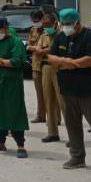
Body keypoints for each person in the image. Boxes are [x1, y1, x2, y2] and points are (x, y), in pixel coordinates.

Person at [48, 8, 91, 178]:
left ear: (78, 22)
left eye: (69, 24)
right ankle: (77, 157)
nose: (66, 27)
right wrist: (65, 61)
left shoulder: (90, 36)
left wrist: (72, 64)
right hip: (67, 90)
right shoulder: (60, 36)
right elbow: (51, 58)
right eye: (63, 24)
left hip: (90, 90)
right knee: (72, 124)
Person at [0, 17, 29, 159]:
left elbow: (18, 61)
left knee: (13, 111)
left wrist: (1, 62)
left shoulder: (15, 42)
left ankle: (21, 145)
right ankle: (0, 142)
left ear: (6, 28)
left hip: (10, 84)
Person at [35, 13, 63, 142]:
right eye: (44, 25)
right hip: (46, 68)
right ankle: (52, 133)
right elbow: (38, 51)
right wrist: (47, 50)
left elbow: (59, 50)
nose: (45, 27)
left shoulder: (62, 34)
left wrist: (45, 50)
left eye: (47, 25)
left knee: (63, 101)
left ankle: (73, 135)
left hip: (59, 68)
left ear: (54, 23)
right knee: (48, 100)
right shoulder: (43, 35)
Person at [27, 10, 46, 124]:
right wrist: (36, 48)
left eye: (37, 21)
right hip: (36, 64)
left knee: (50, 93)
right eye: (33, 21)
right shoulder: (32, 30)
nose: (35, 23)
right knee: (39, 93)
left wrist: (36, 48)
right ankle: (40, 115)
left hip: (47, 64)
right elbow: (30, 46)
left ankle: (55, 117)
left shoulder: (49, 30)